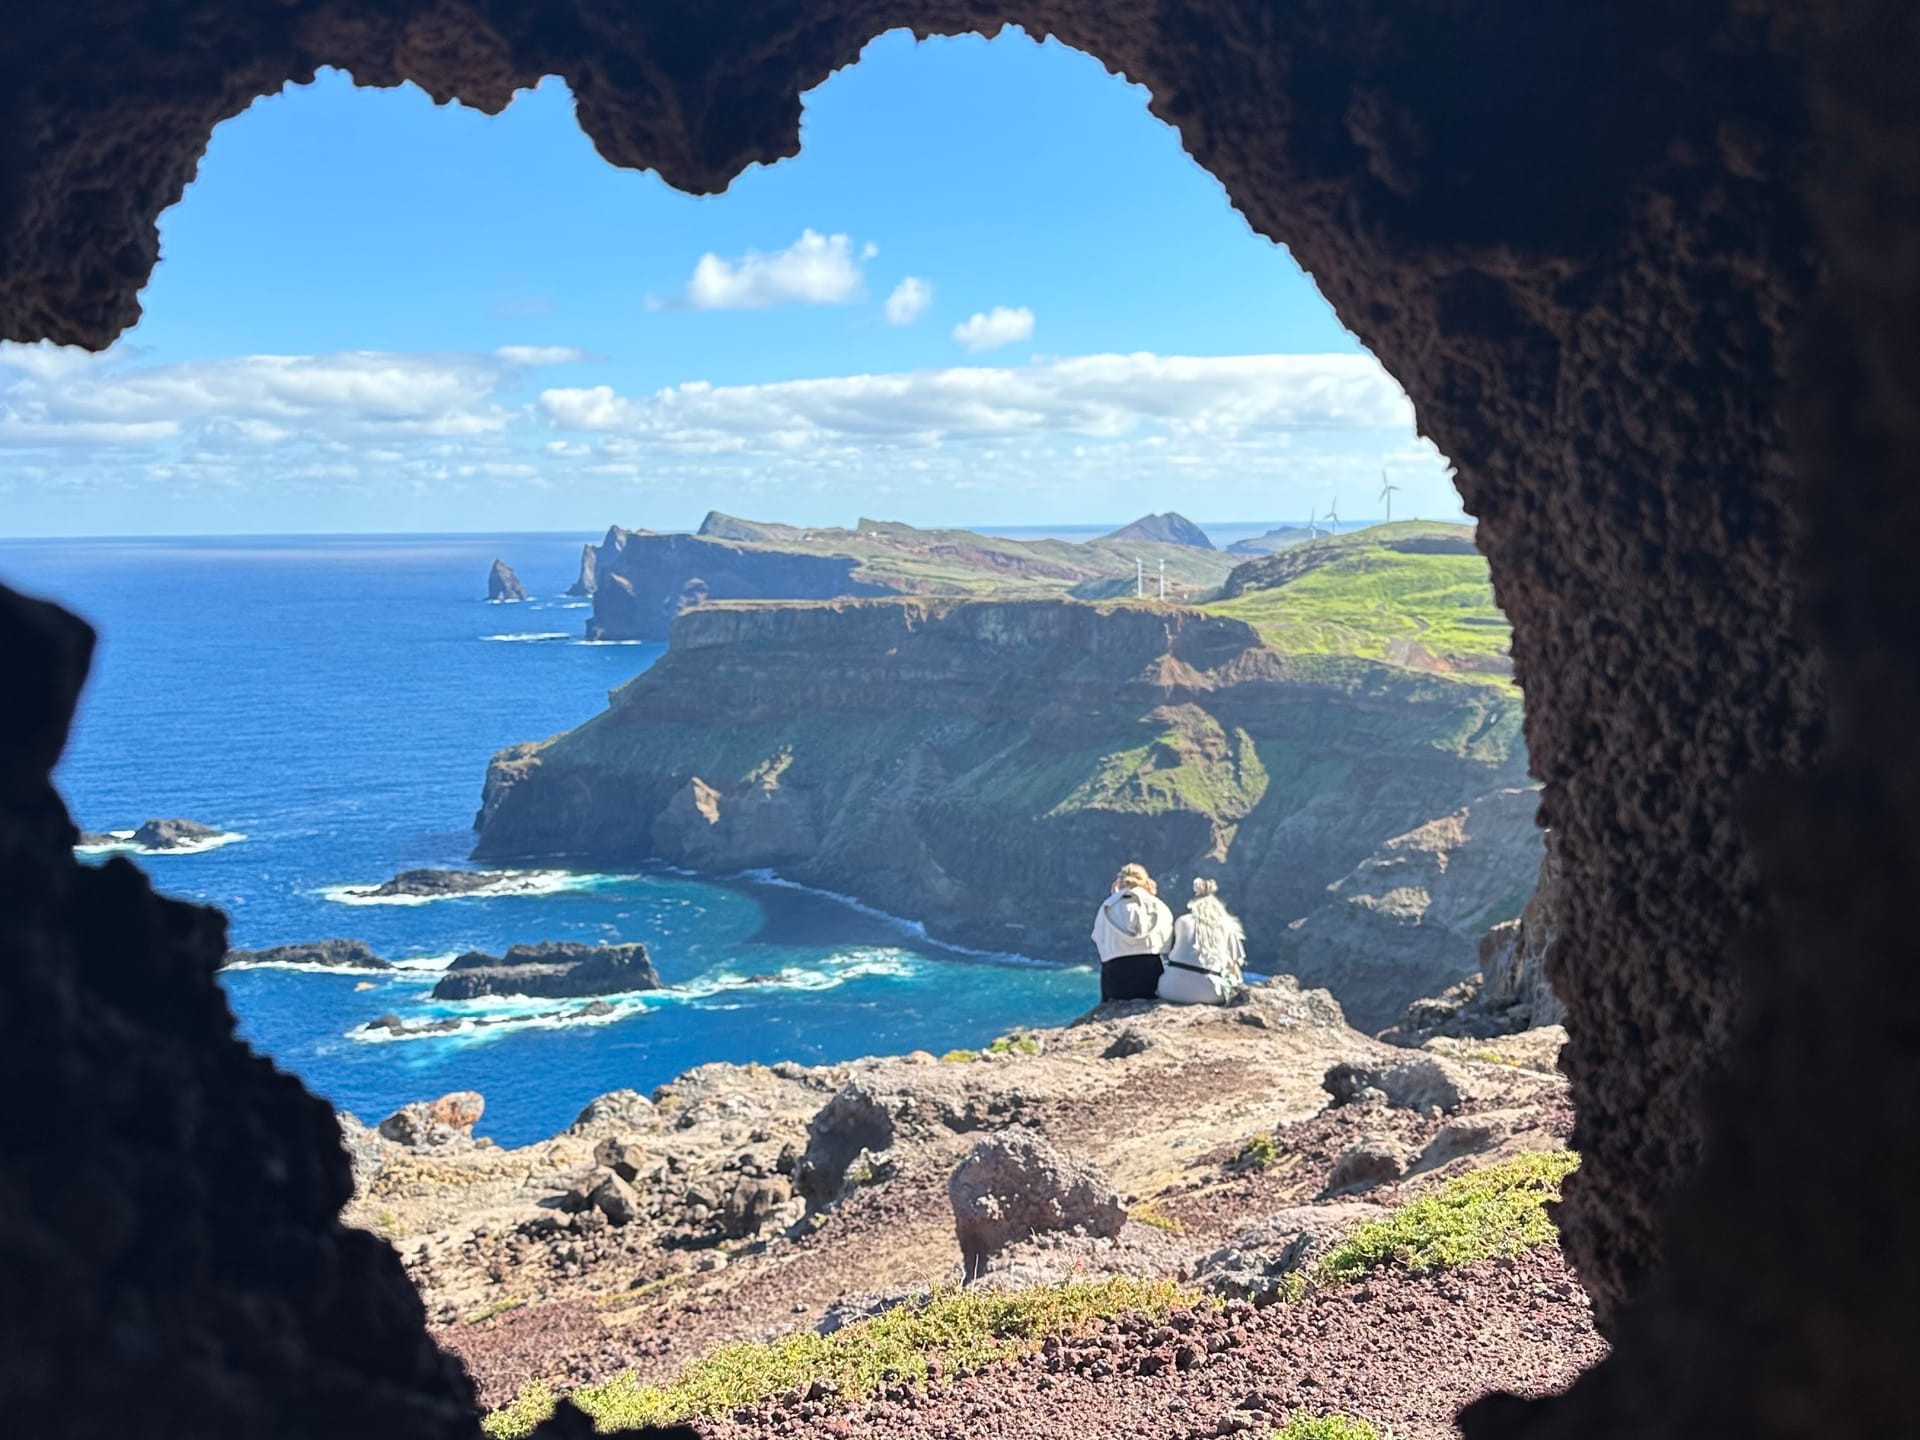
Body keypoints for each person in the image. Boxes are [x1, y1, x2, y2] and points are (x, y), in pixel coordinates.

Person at [1091, 862, 1174, 1002]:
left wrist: (1114, 898)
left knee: (1107, 965)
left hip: (1117, 988)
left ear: (1118, 883)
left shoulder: (1106, 908)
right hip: (1152, 984)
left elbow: (1099, 940)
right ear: (1147, 882)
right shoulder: (1158, 906)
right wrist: (1152, 896)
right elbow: (1169, 942)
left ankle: (1106, 1003)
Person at [1157, 877, 1246, 1006]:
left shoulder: (1182, 921)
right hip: (1209, 993)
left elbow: (1168, 951)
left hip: (1170, 989)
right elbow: (1234, 964)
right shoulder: (1225, 925)